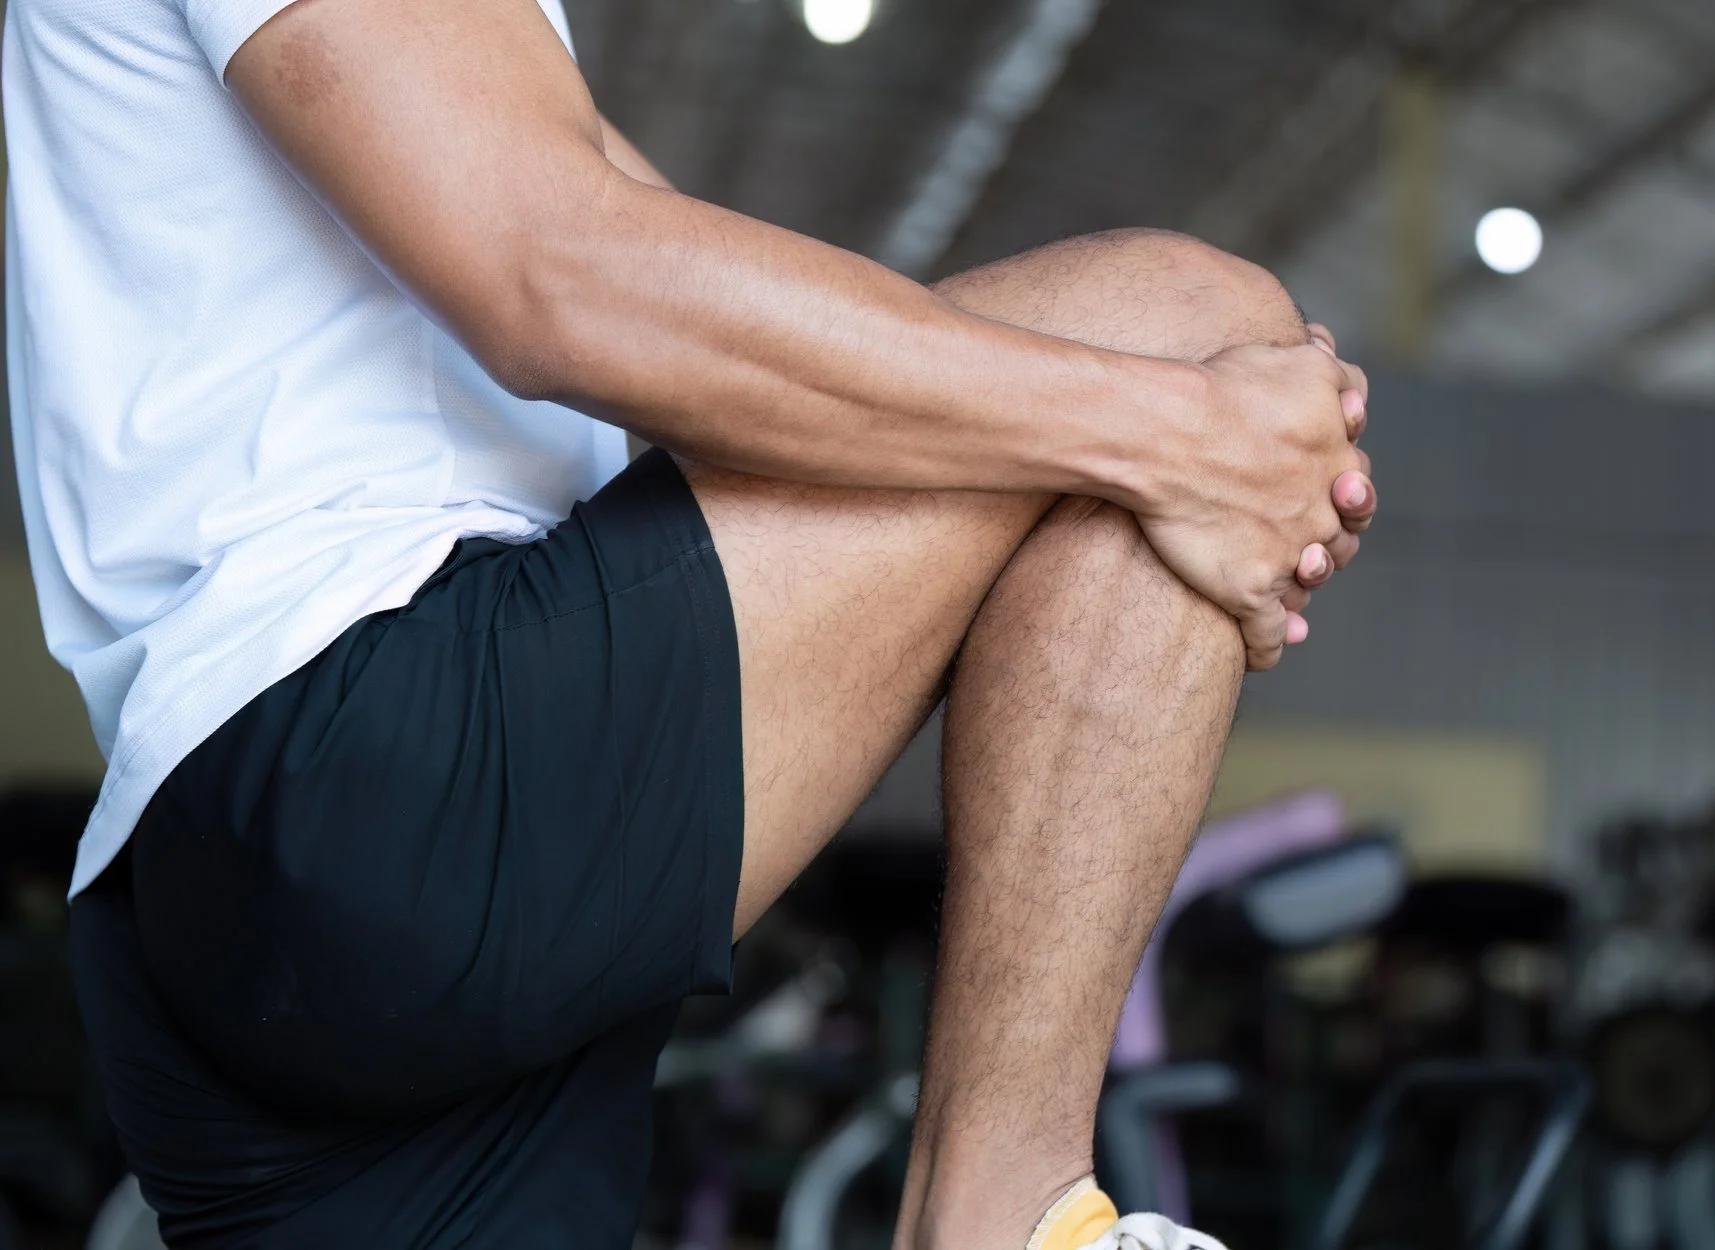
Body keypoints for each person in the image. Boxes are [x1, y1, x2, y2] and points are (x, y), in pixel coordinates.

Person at [3, 0, 1377, 1243]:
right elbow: (563, 275)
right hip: (393, 759)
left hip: (218, 922)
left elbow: (698, 323)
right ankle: (999, 1214)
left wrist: (1208, 464)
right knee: (1192, 329)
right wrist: (1187, 431)